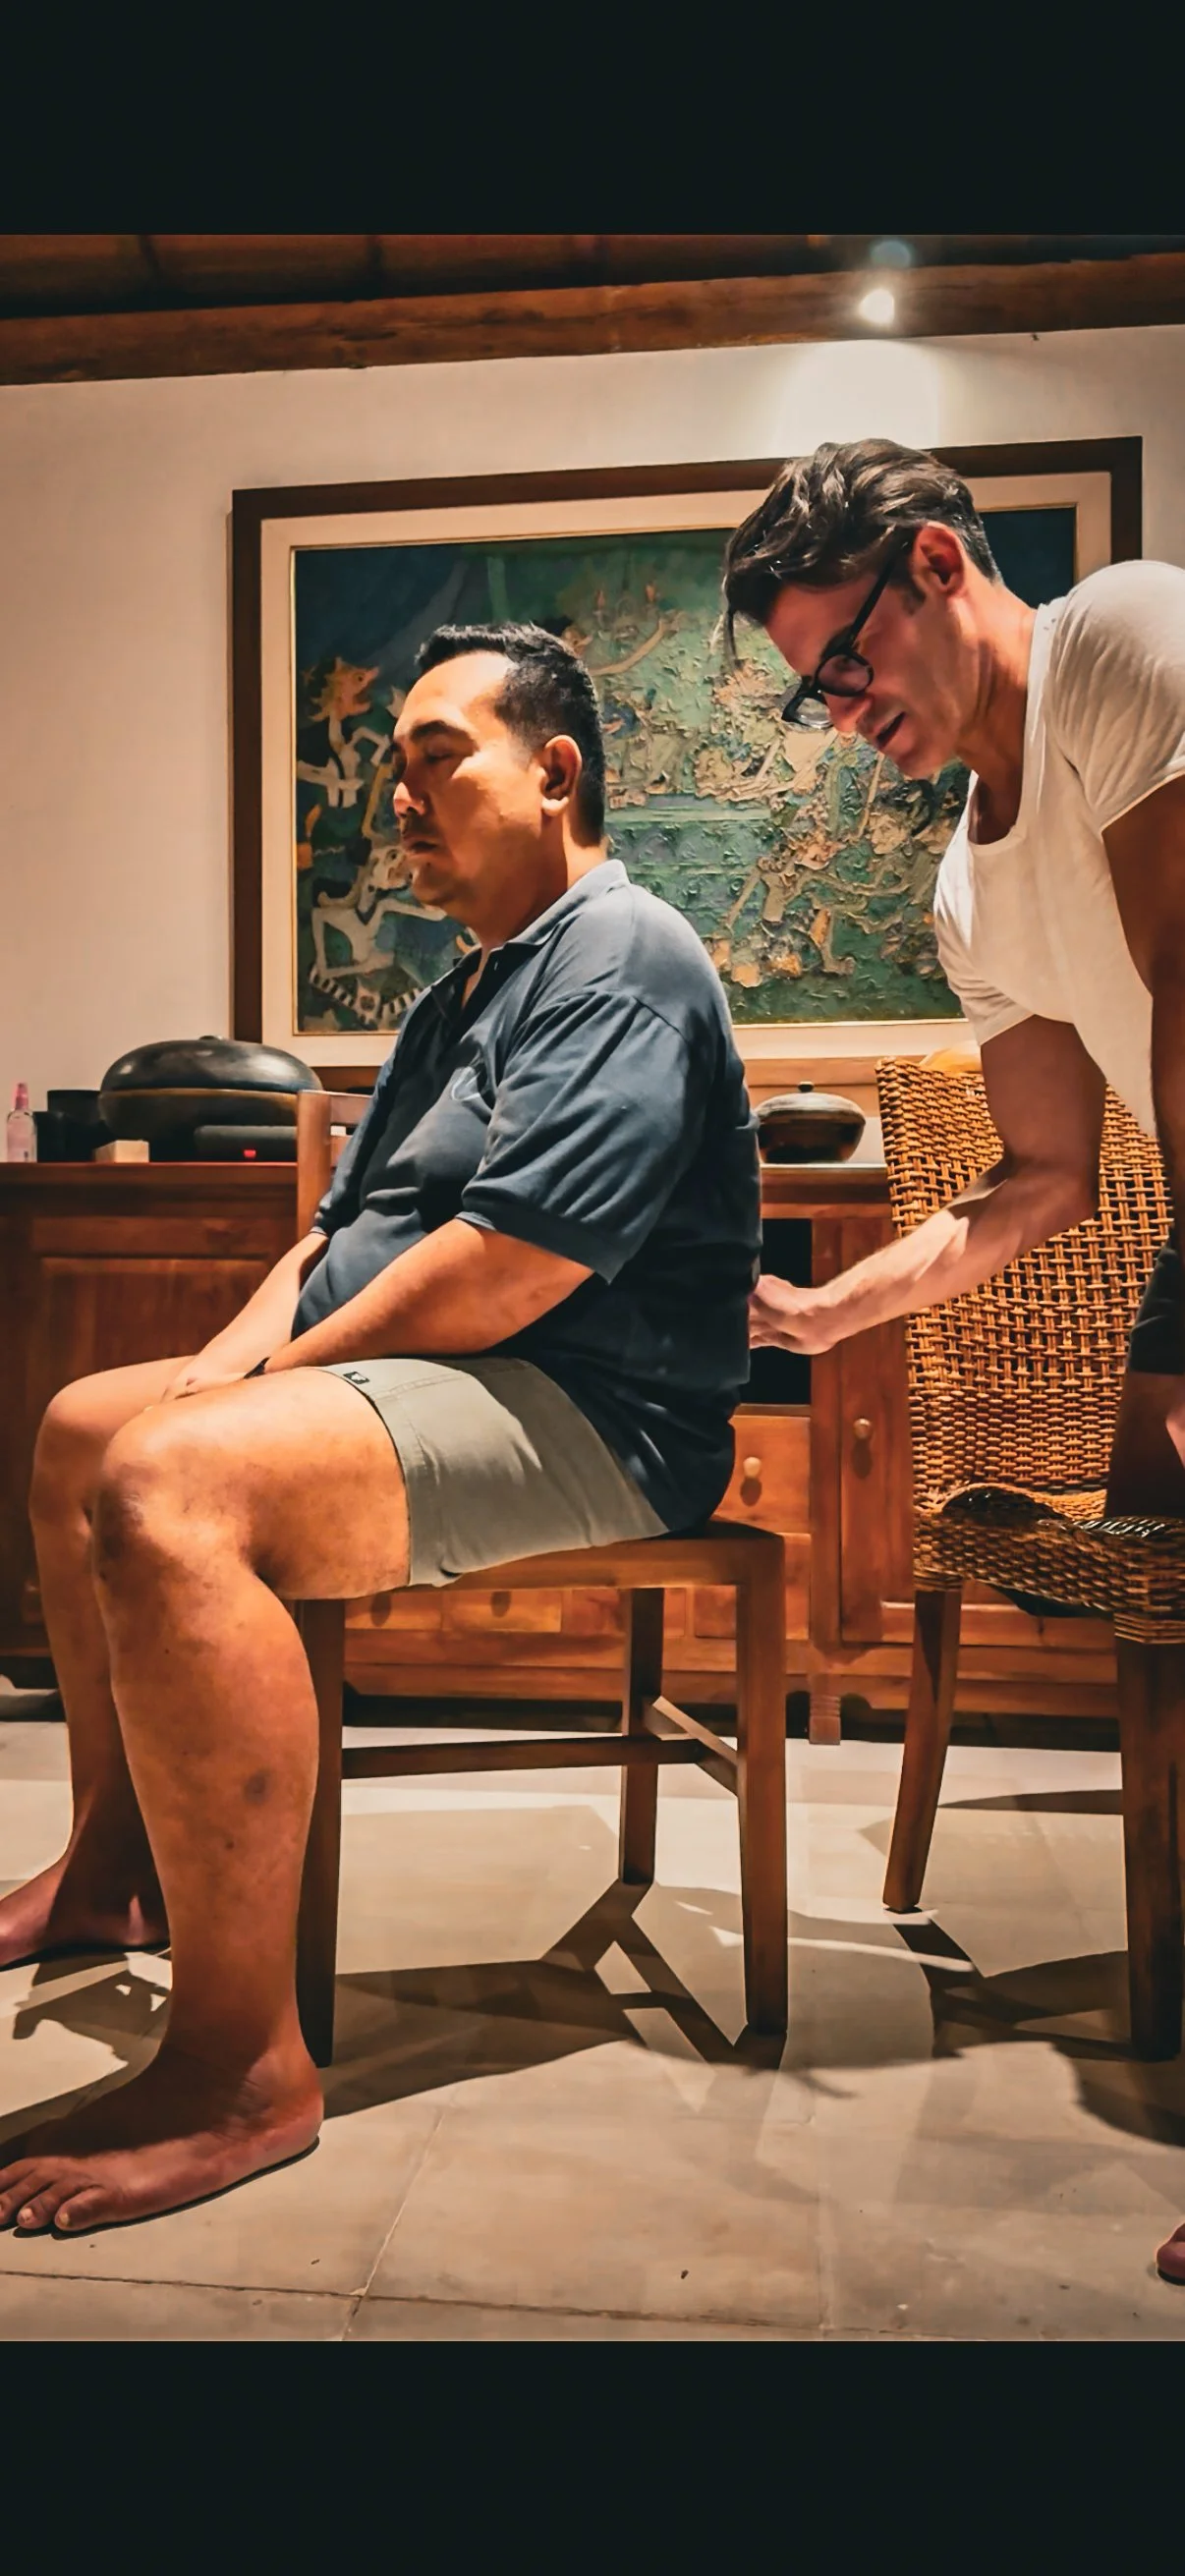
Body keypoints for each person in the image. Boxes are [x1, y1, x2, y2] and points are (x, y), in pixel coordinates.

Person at [0, 622, 759, 2233]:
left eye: (437, 758)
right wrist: (230, 1364)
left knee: (174, 1481)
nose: (398, 797)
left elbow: (504, 1270)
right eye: (391, 767)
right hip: (448, 1375)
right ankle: (110, 1867)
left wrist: (252, 1400)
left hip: (595, 1407)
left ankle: (240, 2067)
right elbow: (328, 1241)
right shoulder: (457, 993)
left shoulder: (624, 956)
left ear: (554, 773)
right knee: (87, 1427)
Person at [722, 437, 1185, 2284]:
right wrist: (833, 1311)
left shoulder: (1122, 644)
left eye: (842, 660)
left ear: (930, 563)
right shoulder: (965, 895)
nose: (839, 713)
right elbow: (1044, 1172)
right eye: (808, 691)